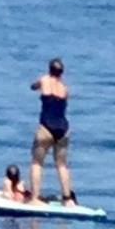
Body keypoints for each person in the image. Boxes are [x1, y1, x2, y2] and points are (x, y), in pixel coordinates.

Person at [28, 58, 76, 205]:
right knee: (62, 165)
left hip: (46, 127)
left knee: (37, 162)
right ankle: (67, 199)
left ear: (50, 69)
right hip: (63, 129)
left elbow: (33, 86)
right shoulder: (65, 88)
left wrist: (38, 85)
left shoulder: (44, 80)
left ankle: (35, 198)